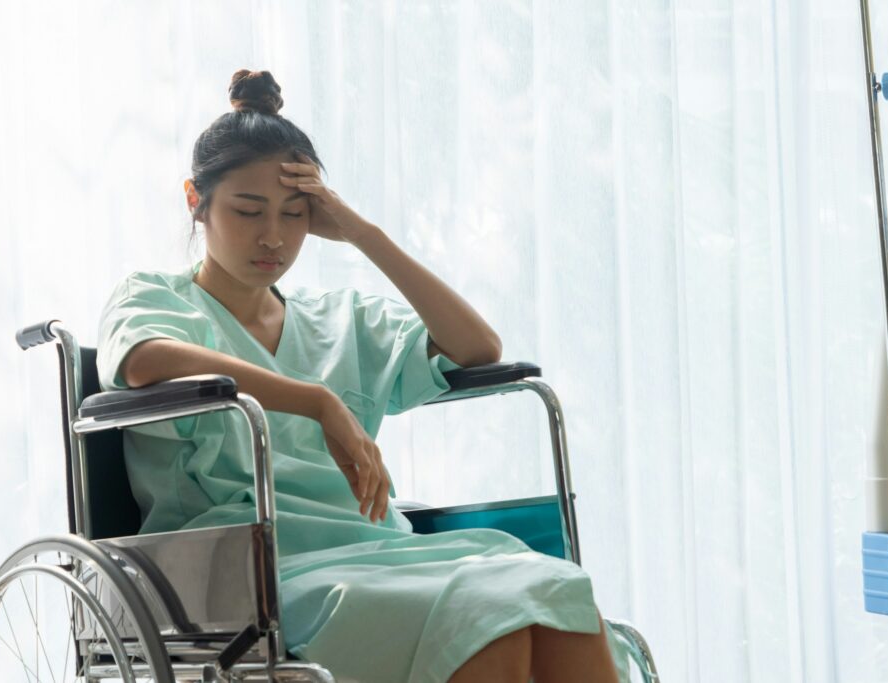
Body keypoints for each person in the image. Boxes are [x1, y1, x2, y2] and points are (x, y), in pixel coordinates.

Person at [96, 68, 623, 683]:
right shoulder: (156, 298)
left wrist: (362, 234)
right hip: (251, 574)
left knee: (550, 589)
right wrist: (316, 401)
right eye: (248, 211)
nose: (273, 236)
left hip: (378, 548)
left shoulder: (337, 319)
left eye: (295, 214)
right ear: (196, 200)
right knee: (485, 617)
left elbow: (478, 347)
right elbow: (145, 360)